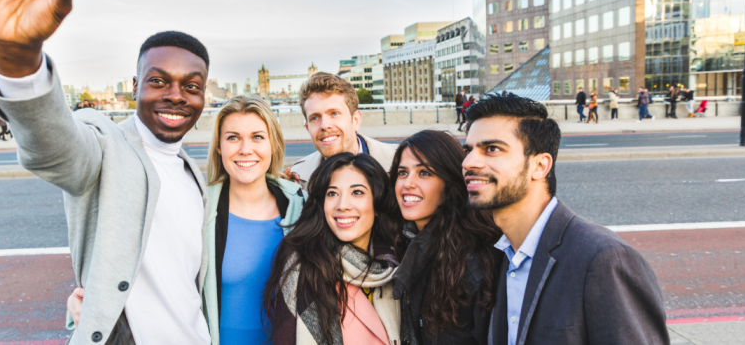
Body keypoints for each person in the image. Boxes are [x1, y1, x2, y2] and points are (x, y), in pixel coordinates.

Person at [0, 0, 212, 343]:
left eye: (191, 86)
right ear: (135, 86)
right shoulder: (104, 144)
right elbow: (56, 151)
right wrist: (17, 56)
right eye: (159, 81)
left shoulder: (193, 174)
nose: (176, 95)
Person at [68, 95, 306, 344]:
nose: (245, 149)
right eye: (233, 137)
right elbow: (140, 261)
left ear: (273, 144)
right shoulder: (198, 205)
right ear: (219, 147)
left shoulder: (301, 206)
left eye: (257, 137)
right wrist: (87, 302)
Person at [462, 94, 669, 344]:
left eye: (492, 149)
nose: (469, 162)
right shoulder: (503, 256)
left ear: (540, 166)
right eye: (469, 150)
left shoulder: (603, 259)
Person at [264, 152, 405, 345]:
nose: (342, 205)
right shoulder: (302, 267)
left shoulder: (398, 264)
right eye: (332, 193)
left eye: (357, 192)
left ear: (377, 203)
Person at [390, 130, 501, 344]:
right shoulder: (403, 242)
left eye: (424, 173)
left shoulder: (474, 263)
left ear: (450, 183)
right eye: (402, 173)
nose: (407, 184)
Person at [284, 72, 397, 189]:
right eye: (315, 118)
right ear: (308, 128)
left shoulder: (400, 163)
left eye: (334, 113)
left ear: (356, 120)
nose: (324, 125)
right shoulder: (296, 179)